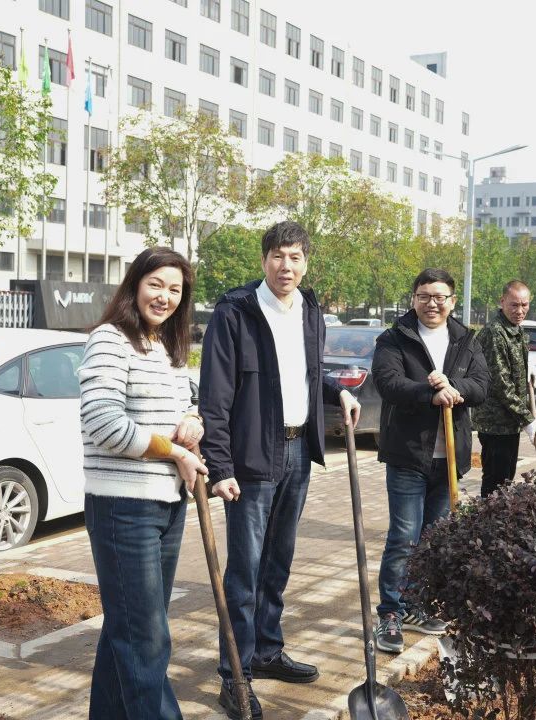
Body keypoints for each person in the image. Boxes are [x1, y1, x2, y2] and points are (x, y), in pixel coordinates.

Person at [198, 221, 361, 720]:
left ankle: (266, 650)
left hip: (298, 452)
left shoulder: (310, 310)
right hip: (251, 459)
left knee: (278, 562)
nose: (285, 266)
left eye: (294, 257)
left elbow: (306, 373)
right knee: (244, 571)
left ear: (306, 263)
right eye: (277, 256)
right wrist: (220, 466)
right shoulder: (236, 313)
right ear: (263, 260)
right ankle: (235, 674)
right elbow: (215, 398)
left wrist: (337, 392)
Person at [78, 247, 208, 720]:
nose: (165, 297)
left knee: (129, 630)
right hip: (123, 508)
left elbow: (185, 405)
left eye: (175, 289)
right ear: (134, 284)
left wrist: (192, 421)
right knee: (146, 636)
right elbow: (103, 423)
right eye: (156, 284)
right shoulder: (110, 340)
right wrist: (175, 451)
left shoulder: (165, 347)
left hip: (166, 505)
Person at [371, 268, 490, 654]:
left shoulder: (465, 339)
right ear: (414, 299)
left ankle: (417, 605)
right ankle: (391, 612)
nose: (432, 304)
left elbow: (482, 385)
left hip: (449, 458)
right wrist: (429, 393)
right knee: (404, 537)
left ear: (452, 302)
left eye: (440, 297)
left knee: (433, 540)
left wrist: (455, 388)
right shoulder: (395, 337)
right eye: (424, 296)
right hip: (408, 454)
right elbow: (388, 383)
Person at [473, 280, 536, 497]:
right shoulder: (495, 333)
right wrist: (527, 419)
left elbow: (512, 366)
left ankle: (494, 515)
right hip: (495, 422)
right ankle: (487, 517)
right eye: (514, 305)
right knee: (496, 483)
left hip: (509, 421)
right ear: (502, 301)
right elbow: (501, 384)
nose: (519, 310)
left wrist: (526, 368)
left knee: (505, 479)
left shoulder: (516, 329)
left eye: (524, 305)